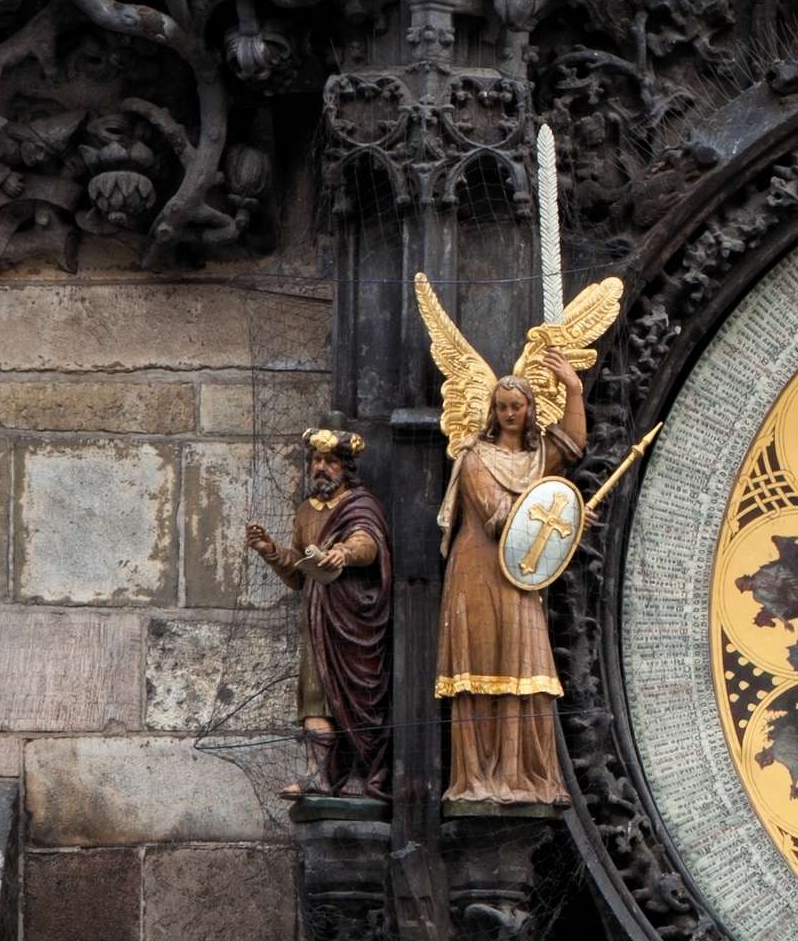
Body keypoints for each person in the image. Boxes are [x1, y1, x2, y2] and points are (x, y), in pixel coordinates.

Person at [416, 272, 624, 805]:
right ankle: (479, 778)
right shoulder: (476, 459)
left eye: (519, 406)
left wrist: (574, 388)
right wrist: (561, 514)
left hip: (521, 573)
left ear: (531, 410)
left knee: (527, 663)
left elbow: (573, 446)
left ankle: (527, 775)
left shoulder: (536, 457)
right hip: (481, 568)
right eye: (503, 406)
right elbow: (498, 517)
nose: (510, 413)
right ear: (492, 411)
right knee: (483, 663)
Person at [245, 426, 391, 798]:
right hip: (317, 614)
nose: (321, 468)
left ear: (345, 467)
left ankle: (365, 774)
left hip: (354, 616)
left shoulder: (360, 504)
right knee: (314, 694)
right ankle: (318, 776)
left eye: (329, 461)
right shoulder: (306, 512)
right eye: (316, 461)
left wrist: (343, 552)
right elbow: (297, 574)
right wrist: (270, 550)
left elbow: (367, 541)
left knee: (362, 697)